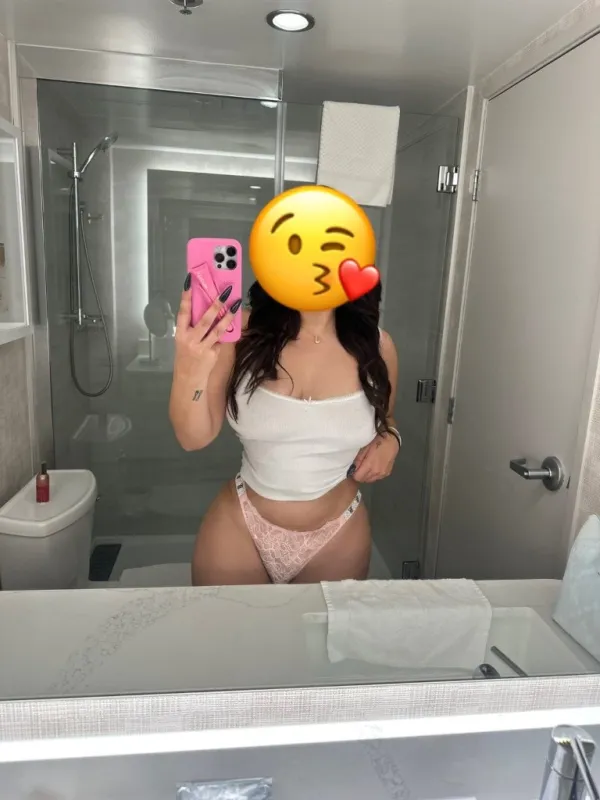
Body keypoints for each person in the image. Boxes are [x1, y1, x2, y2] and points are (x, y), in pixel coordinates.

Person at [170, 277, 400, 585]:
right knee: (224, 619)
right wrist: (189, 369)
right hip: (240, 526)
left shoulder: (378, 346)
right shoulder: (241, 331)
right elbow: (193, 437)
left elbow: (386, 419)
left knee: (318, 621)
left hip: (339, 535)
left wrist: (392, 439)